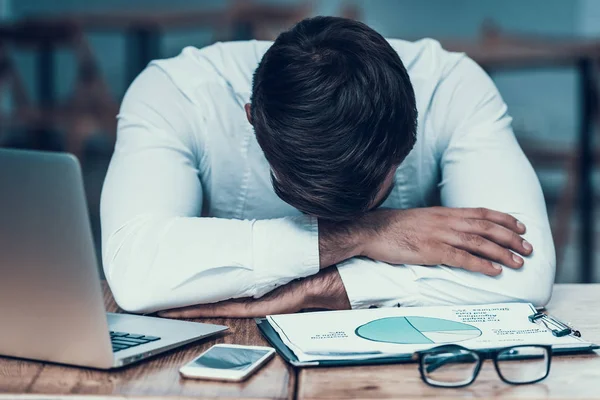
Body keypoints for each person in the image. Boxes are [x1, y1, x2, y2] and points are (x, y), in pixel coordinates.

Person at [100, 17, 555, 318]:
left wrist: (335, 286)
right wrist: (369, 233)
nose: (339, 219)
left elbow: (526, 273)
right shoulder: (175, 93)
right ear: (251, 119)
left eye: (365, 202)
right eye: (298, 190)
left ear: (409, 139)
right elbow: (135, 268)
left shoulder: (452, 87)